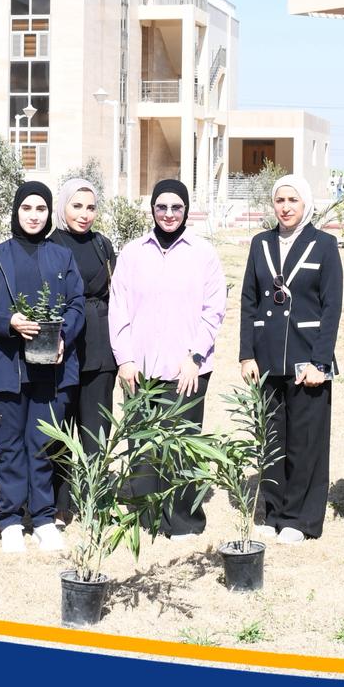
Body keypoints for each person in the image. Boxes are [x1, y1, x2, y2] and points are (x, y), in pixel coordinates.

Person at [0, 181, 84, 553]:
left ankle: (44, 518)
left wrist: (63, 334)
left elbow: (76, 304)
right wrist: (9, 322)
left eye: (41, 209)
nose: (34, 216)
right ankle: (11, 520)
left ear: (49, 214)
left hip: (51, 368)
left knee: (43, 444)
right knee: (9, 446)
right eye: (27, 208)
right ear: (16, 211)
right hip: (7, 367)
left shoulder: (61, 257)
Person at [109, 178, 226, 539]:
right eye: (162, 206)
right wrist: (125, 359)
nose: (169, 214)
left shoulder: (203, 253)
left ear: (186, 210)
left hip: (187, 370)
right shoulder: (132, 253)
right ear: (152, 209)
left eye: (177, 207)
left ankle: (183, 520)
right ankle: (148, 517)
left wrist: (194, 357)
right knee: (143, 446)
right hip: (140, 370)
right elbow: (118, 308)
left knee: (182, 446)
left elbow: (213, 311)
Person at [239, 174, 343, 543]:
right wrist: (246, 354)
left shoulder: (324, 244)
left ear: (306, 204)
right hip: (267, 357)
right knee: (272, 438)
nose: (285, 207)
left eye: (292, 200)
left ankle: (300, 518)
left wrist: (320, 362)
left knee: (305, 440)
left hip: (307, 358)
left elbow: (331, 308)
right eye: (280, 200)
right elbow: (249, 301)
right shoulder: (261, 243)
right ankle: (273, 511)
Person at [48, 177, 118, 525]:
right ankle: (60, 503)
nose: (84, 214)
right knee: (60, 429)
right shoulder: (49, 244)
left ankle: (96, 500)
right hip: (62, 348)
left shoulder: (102, 245)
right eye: (77, 206)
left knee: (96, 430)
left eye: (90, 207)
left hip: (100, 347)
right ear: (63, 207)